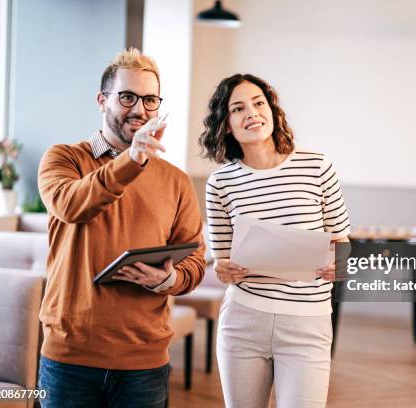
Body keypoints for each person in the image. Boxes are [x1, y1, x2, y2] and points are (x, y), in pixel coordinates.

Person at [36, 48, 206, 407]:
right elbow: (71, 204)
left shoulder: (176, 181)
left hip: (144, 361)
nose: (140, 109)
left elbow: (193, 258)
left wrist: (168, 280)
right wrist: (132, 160)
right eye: (127, 96)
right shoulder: (63, 158)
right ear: (102, 100)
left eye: (149, 99)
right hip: (69, 356)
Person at [199, 73, 351, 408]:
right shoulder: (220, 183)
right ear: (226, 125)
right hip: (243, 321)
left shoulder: (317, 167)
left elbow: (342, 242)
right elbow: (221, 263)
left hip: (307, 323)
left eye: (258, 103)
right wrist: (225, 271)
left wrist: (339, 266)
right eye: (238, 108)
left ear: (272, 111)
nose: (251, 112)